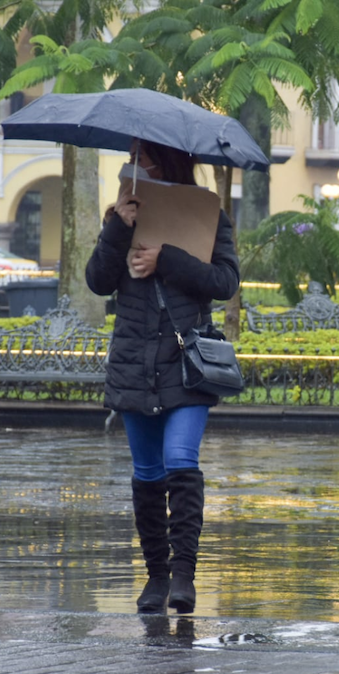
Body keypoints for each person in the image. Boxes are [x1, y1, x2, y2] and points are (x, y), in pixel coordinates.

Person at [85, 138, 239, 615]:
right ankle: (156, 574)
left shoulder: (209, 215)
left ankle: (184, 577)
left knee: (180, 461)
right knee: (147, 473)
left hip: (186, 362)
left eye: (140, 157)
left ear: (163, 162)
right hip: (134, 362)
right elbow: (97, 281)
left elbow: (225, 282)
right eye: (130, 158)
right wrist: (117, 230)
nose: (131, 166)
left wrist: (165, 258)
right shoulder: (118, 218)